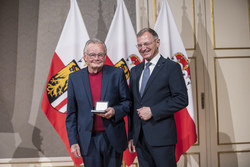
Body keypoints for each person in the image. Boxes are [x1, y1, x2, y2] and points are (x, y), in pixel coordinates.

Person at [128, 28, 188, 167]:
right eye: (140, 45)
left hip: (162, 138)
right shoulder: (135, 71)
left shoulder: (171, 68)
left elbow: (181, 99)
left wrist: (153, 111)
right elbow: (133, 104)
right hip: (140, 139)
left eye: (147, 43)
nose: (143, 48)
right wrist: (132, 135)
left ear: (157, 42)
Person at [66, 38, 131, 167]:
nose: (96, 58)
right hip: (88, 140)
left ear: (105, 56)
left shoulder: (117, 74)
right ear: (85, 56)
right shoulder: (75, 78)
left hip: (113, 137)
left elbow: (127, 103)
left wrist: (114, 111)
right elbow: (72, 113)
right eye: (92, 55)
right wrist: (73, 142)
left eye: (100, 54)